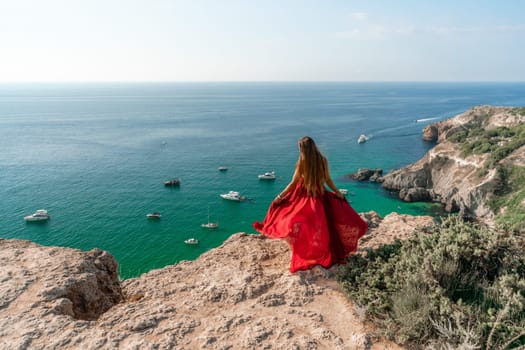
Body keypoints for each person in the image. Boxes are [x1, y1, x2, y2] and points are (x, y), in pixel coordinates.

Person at [253, 136, 368, 273]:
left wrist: (279, 196)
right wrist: (338, 193)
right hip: (321, 197)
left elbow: (293, 183)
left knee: (296, 220)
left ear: (302, 149)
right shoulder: (322, 160)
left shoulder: (302, 162)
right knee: (326, 226)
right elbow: (328, 180)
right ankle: (322, 252)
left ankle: (307, 252)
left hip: (304, 197)